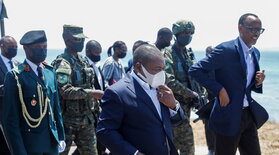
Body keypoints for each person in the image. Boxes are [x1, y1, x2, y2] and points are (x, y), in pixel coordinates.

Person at [189, 13, 267, 155]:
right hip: (227, 115)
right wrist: (219, 90)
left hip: (248, 115)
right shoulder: (225, 50)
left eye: (259, 30)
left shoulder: (256, 53)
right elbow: (195, 70)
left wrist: (258, 81)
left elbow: (245, 83)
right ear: (240, 28)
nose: (256, 33)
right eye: (252, 29)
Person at [96, 44, 185, 155]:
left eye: (163, 69)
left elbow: (178, 121)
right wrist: (133, 153)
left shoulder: (161, 86)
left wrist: (173, 106)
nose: (161, 74)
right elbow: (105, 131)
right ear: (139, 67)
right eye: (157, 69)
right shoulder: (117, 92)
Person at [2, 30, 65, 154]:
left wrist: (61, 136)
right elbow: (10, 120)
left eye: (45, 47)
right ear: (26, 49)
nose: (43, 50)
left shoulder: (49, 72)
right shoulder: (16, 77)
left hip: (52, 142)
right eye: (38, 47)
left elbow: (56, 108)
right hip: (31, 145)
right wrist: (19, 151)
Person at [52, 25, 104, 155]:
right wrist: (92, 93)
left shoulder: (83, 61)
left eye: (82, 40)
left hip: (86, 120)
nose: (81, 42)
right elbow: (65, 90)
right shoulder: (63, 62)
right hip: (68, 121)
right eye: (77, 40)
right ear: (67, 39)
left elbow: (89, 84)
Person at [163, 20, 205, 155]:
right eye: (184, 33)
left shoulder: (188, 54)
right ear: (176, 34)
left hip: (186, 108)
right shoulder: (168, 53)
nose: (188, 35)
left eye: (190, 33)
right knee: (181, 144)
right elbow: (168, 80)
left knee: (184, 146)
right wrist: (190, 93)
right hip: (173, 107)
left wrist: (201, 92)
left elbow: (194, 76)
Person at [0, 36, 19, 155]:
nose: (14, 49)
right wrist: (5, 88)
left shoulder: (18, 64)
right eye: (11, 47)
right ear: (2, 47)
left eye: (16, 47)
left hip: (17, 113)